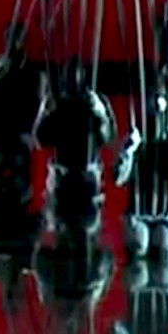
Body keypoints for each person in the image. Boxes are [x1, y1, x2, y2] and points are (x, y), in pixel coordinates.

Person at [36, 62, 117, 230]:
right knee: (62, 228)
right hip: (63, 178)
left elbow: (109, 138)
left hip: (87, 177)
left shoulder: (94, 102)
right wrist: (45, 109)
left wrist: (100, 113)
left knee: (86, 229)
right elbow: (41, 139)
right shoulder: (60, 104)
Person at [117, 90, 168, 258]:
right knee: (139, 246)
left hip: (167, 216)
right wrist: (128, 152)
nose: (155, 122)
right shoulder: (135, 141)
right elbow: (119, 178)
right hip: (139, 215)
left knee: (165, 248)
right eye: (151, 116)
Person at [0, 23, 48, 205]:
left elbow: (38, 108)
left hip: (19, 141)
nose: (16, 45)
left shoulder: (34, 74)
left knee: (17, 187)